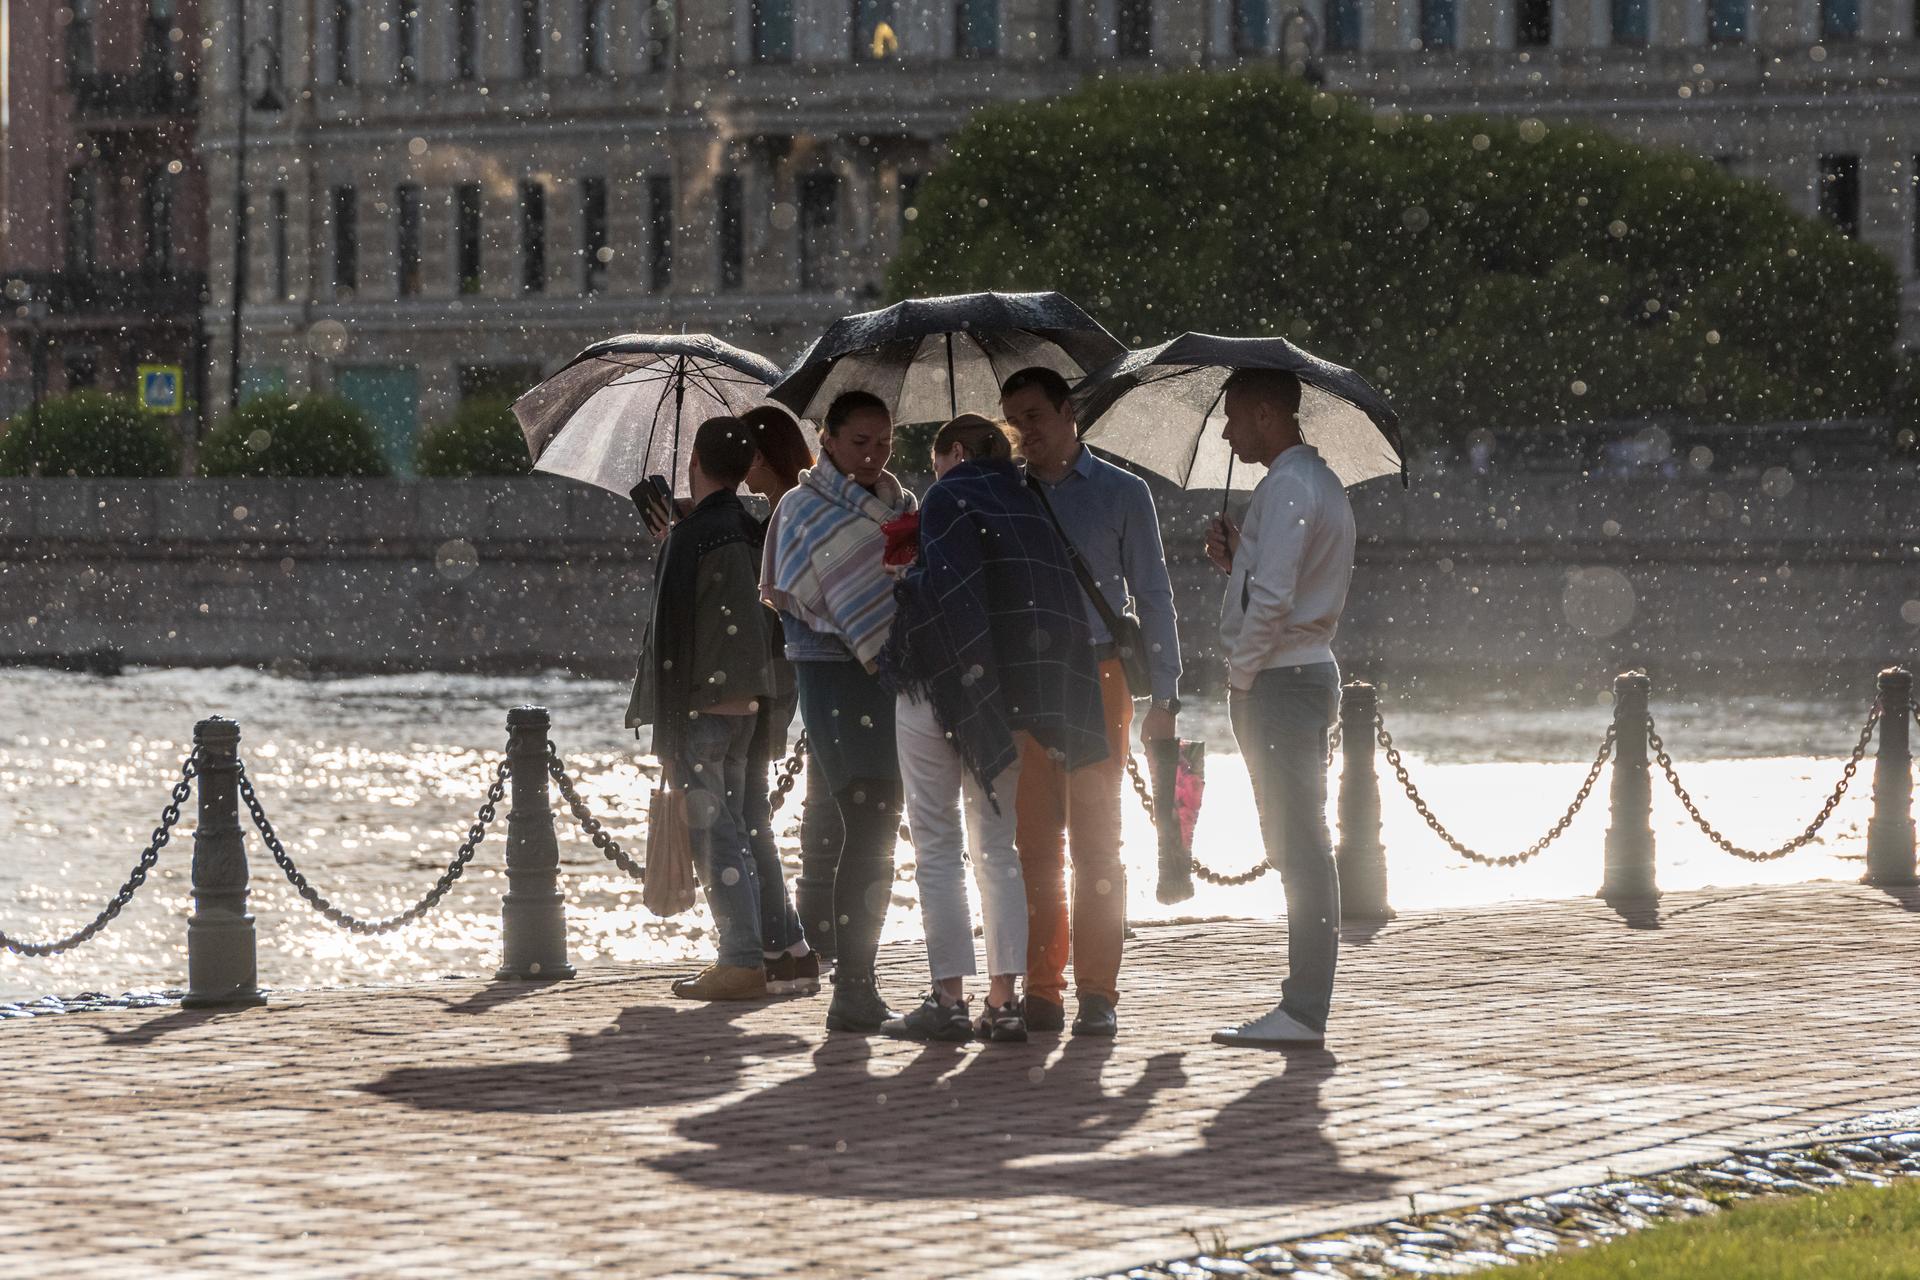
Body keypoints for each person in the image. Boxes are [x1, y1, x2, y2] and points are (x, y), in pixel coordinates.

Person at [878, 415, 1108, 1043]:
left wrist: (906, 581)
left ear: (954, 452)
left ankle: (948, 997)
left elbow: (948, 595)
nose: (934, 475)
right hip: (1007, 698)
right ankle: (1003, 1002)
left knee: (935, 842)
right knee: (997, 849)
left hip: (938, 686)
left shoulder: (949, 496)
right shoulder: (1029, 498)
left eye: (936, 461)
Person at [999, 366, 1182, 1038]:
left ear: (1068, 412)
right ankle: (1042, 990)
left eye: (1035, 415)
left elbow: (1154, 595)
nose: (1025, 432)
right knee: (1034, 844)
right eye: (1014, 419)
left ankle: (1098, 992)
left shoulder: (1122, 493)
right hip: (1026, 679)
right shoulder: (1003, 494)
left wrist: (1166, 692)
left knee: (1098, 844)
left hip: (1099, 676)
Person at [1201, 369, 1356, 1050]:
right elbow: (1272, 583)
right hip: (1302, 673)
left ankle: (1302, 1009)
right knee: (1297, 842)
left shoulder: (1289, 487)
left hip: (1281, 682)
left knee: (1299, 845)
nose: (1228, 432)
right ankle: (1303, 1004)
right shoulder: (1316, 485)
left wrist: (1240, 677)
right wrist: (1239, 561)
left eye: (1234, 418)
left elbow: (1274, 601)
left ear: (1267, 414)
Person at [627, 416, 806, 1001]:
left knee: (715, 831)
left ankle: (740, 958)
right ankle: (778, 944)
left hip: (702, 705)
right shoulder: (754, 530)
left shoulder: (691, 538)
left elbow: (673, 635)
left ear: (693, 466)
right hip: (752, 702)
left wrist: (664, 729)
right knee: (745, 822)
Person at [762, 390, 916, 1032]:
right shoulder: (801, 507)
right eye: (860, 441)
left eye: (883, 441)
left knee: (879, 825)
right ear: (826, 439)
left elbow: (905, 584)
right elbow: (793, 593)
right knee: (865, 822)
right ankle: (852, 986)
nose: (874, 454)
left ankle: (858, 982)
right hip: (830, 679)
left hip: (893, 678)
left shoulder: (904, 505)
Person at [738, 404, 839, 994]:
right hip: (783, 673)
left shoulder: (788, 514)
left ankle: (786, 943)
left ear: (762, 455)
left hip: (774, 675)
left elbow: (773, 603)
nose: (745, 467)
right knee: (750, 811)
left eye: (749, 455)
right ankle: (788, 941)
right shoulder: (776, 512)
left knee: (748, 809)